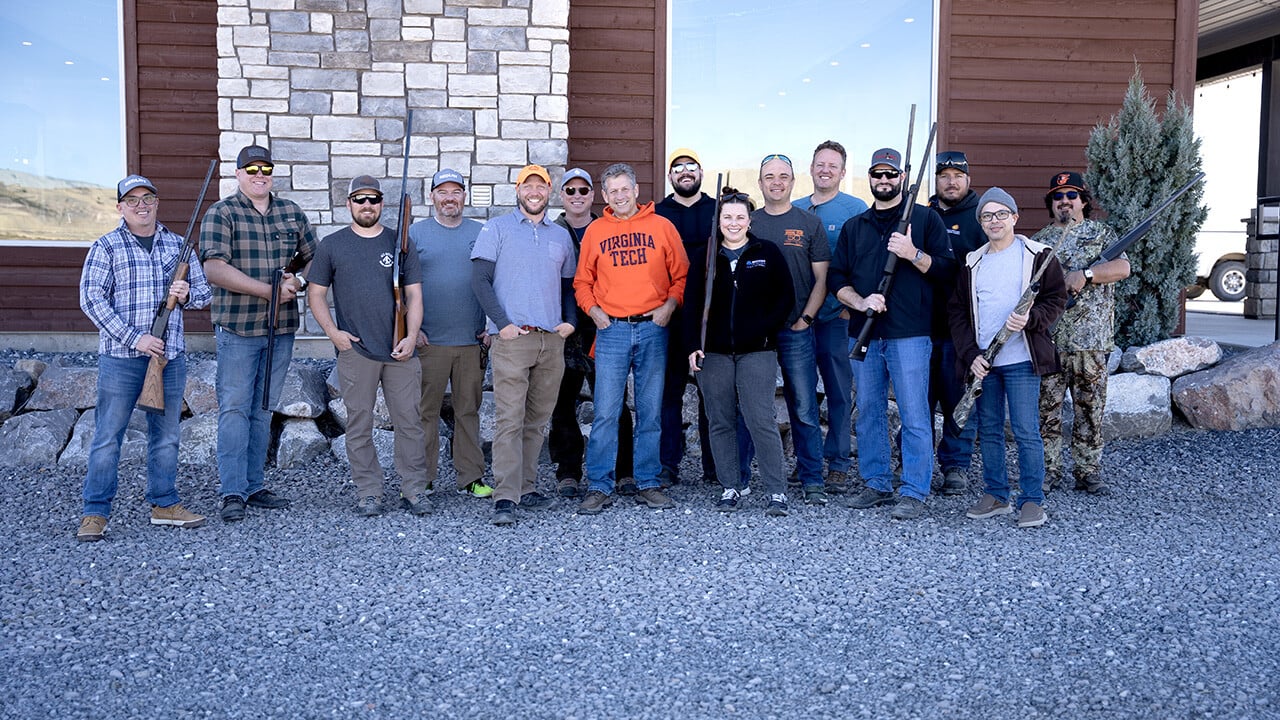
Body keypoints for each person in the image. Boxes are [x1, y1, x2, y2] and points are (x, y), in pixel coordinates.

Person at [75, 175, 213, 541]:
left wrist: (185, 293)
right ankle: (95, 513)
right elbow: (91, 300)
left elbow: (204, 295)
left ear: (156, 203)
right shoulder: (106, 247)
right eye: (132, 200)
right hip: (121, 357)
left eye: (147, 198)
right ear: (120, 207)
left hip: (168, 359)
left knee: (166, 436)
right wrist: (137, 339)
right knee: (108, 436)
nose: (141, 205)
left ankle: (164, 504)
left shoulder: (178, 246)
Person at [828, 147, 953, 520]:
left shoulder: (926, 220)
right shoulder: (855, 226)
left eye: (891, 174)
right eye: (877, 174)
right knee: (868, 412)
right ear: (869, 178)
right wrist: (861, 301)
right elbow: (837, 279)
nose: (884, 181)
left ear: (902, 178)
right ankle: (877, 484)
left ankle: (914, 490)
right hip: (864, 333)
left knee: (915, 414)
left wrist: (912, 253)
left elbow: (947, 272)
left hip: (910, 335)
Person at [200, 144, 317, 522]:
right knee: (235, 409)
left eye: (265, 168)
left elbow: (316, 258)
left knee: (263, 408)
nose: (259, 175)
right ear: (238, 175)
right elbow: (214, 269)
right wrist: (268, 291)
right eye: (250, 170)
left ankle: (254, 486)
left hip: (279, 329)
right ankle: (232, 491)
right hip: (238, 328)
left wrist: (297, 280)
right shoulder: (222, 213)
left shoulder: (290, 213)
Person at [306, 176, 431, 516]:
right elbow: (315, 293)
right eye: (359, 199)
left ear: (381, 204)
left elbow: (414, 294)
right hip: (356, 350)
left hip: (400, 351)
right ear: (348, 204)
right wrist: (333, 333)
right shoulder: (332, 245)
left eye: (373, 199)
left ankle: (414, 490)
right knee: (359, 425)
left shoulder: (399, 243)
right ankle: (369, 492)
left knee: (409, 422)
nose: (366, 205)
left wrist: (411, 334)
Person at [574, 163, 689, 515]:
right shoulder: (595, 231)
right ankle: (599, 484)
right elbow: (582, 282)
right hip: (612, 331)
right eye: (612, 191)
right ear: (604, 196)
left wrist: (670, 306)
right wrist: (595, 313)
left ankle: (648, 482)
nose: (620, 196)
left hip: (653, 327)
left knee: (651, 410)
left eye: (625, 189)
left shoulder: (662, 226)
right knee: (607, 412)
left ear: (636, 190)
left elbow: (681, 274)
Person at [949, 188, 1067, 528]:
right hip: (985, 363)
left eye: (1002, 214)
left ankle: (1032, 500)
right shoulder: (974, 262)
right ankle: (996, 494)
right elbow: (957, 313)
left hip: (1020, 360)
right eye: (987, 216)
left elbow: (1056, 298)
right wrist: (971, 355)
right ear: (981, 223)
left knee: (1026, 430)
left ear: (1015, 217)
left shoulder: (1037, 255)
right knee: (988, 430)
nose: (994, 221)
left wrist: (1031, 320)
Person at [471, 165, 577, 526]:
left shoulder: (560, 236)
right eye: (527, 186)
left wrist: (570, 323)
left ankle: (527, 488)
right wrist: (503, 325)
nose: (534, 192)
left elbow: (568, 287)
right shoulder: (497, 228)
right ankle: (505, 495)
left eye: (541, 186)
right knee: (509, 420)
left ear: (550, 192)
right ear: (517, 191)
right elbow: (480, 280)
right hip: (513, 340)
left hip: (551, 341)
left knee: (537, 421)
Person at [686, 190, 794, 515]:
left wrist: (762, 328)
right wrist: (693, 345)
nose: (733, 223)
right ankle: (731, 486)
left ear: (750, 220)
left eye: (740, 217)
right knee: (719, 421)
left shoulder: (768, 253)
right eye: (727, 217)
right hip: (714, 353)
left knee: (760, 418)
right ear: (719, 221)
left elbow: (785, 299)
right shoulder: (705, 256)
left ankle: (777, 492)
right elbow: (690, 305)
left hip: (756, 351)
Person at [654, 147, 750, 488]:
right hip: (671, 316)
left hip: (713, 318)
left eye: (690, 167)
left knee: (714, 395)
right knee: (669, 394)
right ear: (670, 176)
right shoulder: (658, 214)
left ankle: (715, 467)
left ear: (700, 173)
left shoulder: (718, 210)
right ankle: (667, 465)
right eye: (677, 168)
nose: (684, 172)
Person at [1031, 171, 1131, 495]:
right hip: (1050, 342)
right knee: (1048, 411)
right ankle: (1048, 470)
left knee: (1089, 410)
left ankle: (1088, 471)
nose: (1065, 201)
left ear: (1083, 201)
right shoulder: (1038, 241)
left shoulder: (1102, 234)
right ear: (1051, 204)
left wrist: (1085, 274)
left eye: (1071, 196)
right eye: (1058, 197)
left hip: (1091, 341)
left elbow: (1122, 268)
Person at [549, 167, 634, 498]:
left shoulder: (606, 228)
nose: (577, 196)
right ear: (562, 196)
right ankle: (568, 470)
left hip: (604, 325)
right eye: (570, 191)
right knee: (562, 403)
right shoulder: (551, 231)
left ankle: (623, 470)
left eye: (583, 190)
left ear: (593, 195)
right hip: (563, 327)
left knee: (613, 403)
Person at [751, 153, 829, 505]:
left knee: (803, 407)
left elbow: (821, 279)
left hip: (796, 329)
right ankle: (741, 477)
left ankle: (812, 478)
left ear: (794, 181)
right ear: (760, 182)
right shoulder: (747, 223)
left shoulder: (808, 223)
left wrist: (806, 319)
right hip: (757, 334)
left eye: (783, 176)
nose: (777, 182)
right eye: (770, 176)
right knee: (752, 406)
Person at [410, 169, 492, 500]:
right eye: (442, 192)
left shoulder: (481, 232)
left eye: (456, 191)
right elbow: (400, 287)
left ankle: (470, 477)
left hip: (472, 341)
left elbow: (493, 281)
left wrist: (493, 324)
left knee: (468, 411)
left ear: (464, 197)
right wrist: (410, 331)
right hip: (429, 341)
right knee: (425, 412)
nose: (449, 198)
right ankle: (424, 477)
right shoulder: (415, 233)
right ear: (432, 197)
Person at [792, 140, 868, 495]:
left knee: (838, 391)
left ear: (842, 171)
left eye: (832, 166)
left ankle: (837, 463)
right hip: (797, 321)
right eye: (820, 164)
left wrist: (851, 303)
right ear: (811, 168)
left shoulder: (855, 209)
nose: (825, 170)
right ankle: (806, 462)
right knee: (800, 392)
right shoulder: (793, 209)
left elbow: (864, 262)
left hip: (837, 317)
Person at [926, 150, 986, 495]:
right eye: (945, 176)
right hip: (921, 325)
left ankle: (955, 467)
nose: (951, 182)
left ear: (968, 180)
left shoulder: (983, 218)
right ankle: (912, 463)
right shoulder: (922, 215)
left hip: (962, 331)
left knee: (958, 403)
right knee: (918, 401)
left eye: (958, 176)